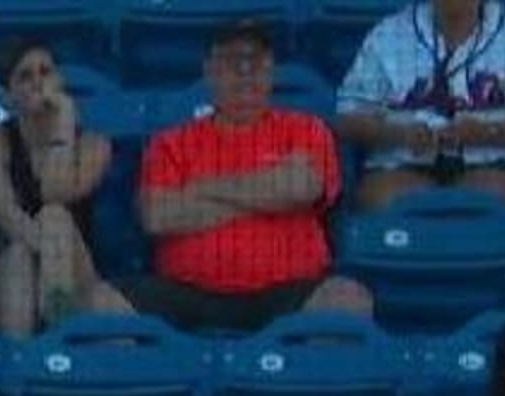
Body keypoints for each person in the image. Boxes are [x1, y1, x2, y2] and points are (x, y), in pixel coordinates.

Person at [124, 23, 375, 332]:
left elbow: (301, 189)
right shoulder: (171, 142)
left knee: (350, 299)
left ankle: (295, 379)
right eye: (232, 62)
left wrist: (202, 188)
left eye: (256, 62)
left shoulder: (306, 129)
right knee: (102, 303)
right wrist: (269, 193)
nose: (245, 72)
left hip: (290, 289)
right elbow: (157, 216)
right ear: (209, 72)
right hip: (187, 291)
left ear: (272, 72)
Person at [0, 38, 135, 335]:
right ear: (7, 95)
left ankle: (53, 335)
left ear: (60, 80)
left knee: (56, 215)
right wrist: (52, 255)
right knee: (22, 255)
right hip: (3, 283)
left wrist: (63, 126)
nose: (38, 83)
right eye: (25, 77)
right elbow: (6, 215)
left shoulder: (94, 145)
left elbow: (55, 192)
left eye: (46, 72)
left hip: (75, 276)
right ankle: (40, 357)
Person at [333, 0, 505, 210]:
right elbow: (348, 119)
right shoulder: (390, 34)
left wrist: (490, 132)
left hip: (495, 160)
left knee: (486, 197)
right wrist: (399, 134)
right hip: (403, 160)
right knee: (385, 197)